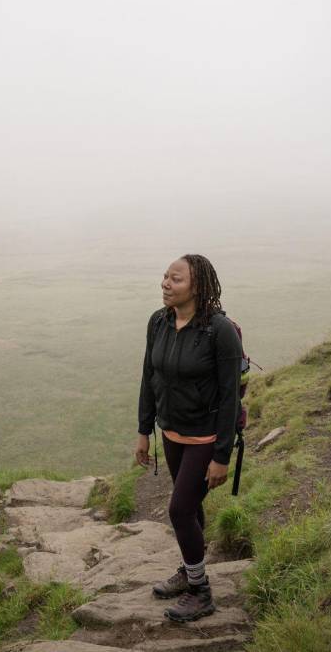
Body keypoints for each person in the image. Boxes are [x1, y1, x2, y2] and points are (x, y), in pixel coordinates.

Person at [136, 253, 242, 623]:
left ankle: (201, 591)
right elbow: (150, 377)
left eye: (176, 279)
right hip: (171, 432)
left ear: (196, 286)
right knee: (191, 508)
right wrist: (143, 431)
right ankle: (189, 569)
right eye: (165, 276)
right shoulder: (159, 322)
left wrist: (222, 456)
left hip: (205, 437)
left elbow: (231, 396)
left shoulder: (219, 330)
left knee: (179, 509)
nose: (166, 283)